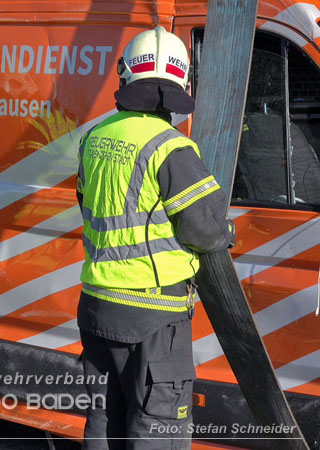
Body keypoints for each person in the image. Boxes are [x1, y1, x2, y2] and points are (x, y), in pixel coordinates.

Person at [76, 27, 235, 449]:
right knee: (157, 426)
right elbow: (205, 229)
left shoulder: (95, 137)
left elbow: (87, 204)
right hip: (153, 313)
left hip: (97, 305)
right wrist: (228, 231)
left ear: (125, 74)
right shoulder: (170, 148)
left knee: (104, 421)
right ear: (182, 82)